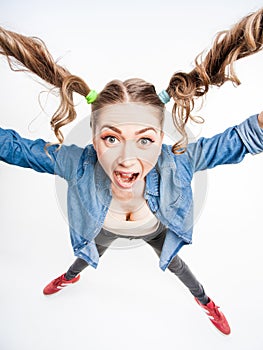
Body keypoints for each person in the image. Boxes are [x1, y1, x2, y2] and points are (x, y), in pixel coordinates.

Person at [1, 8, 263, 336]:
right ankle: (69, 277)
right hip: (104, 227)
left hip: (153, 228)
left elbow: (238, 139)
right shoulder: (77, 162)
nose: (127, 158)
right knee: (85, 257)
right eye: (112, 138)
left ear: (161, 139)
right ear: (93, 137)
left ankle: (206, 302)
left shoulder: (178, 161)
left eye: (144, 140)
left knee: (179, 267)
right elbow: (14, 147)